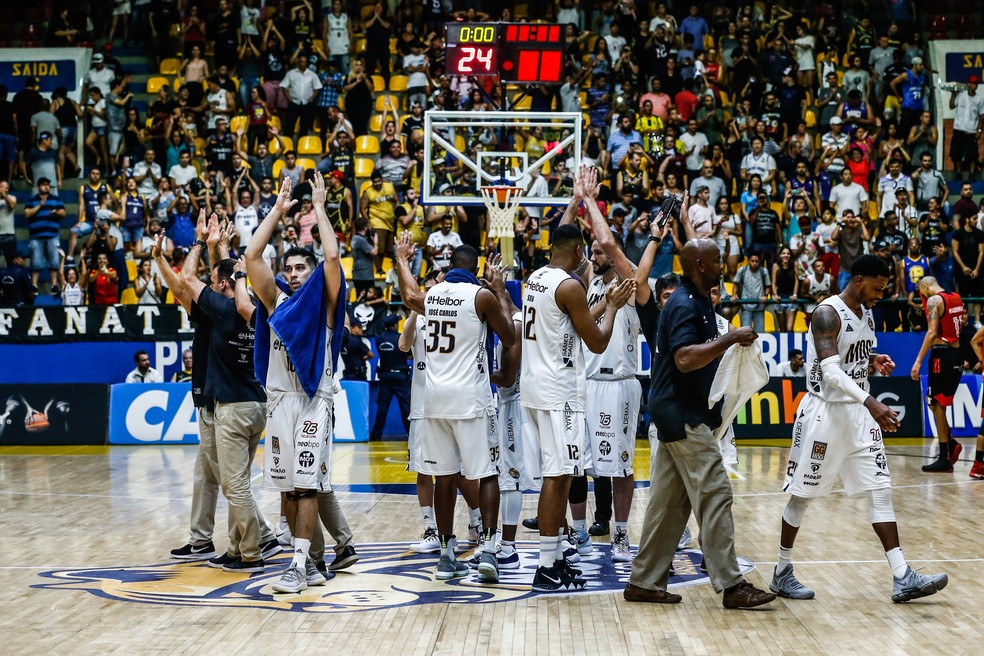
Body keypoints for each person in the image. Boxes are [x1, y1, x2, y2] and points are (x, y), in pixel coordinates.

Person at [772, 255, 949, 604]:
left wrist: (872, 359)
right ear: (857, 280)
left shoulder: (866, 310)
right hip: (824, 414)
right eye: (877, 287)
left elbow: (849, 354)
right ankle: (781, 571)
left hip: (858, 416)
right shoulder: (826, 313)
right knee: (802, 498)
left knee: (880, 489)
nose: (880, 294)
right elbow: (831, 371)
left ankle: (902, 576)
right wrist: (872, 402)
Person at [625, 237, 775, 609]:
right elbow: (685, 359)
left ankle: (644, 581)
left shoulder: (700, 299)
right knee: (716, 493)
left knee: (669, 505)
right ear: (701, 266)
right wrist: (730, 338)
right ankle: (731, 585)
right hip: (682, 413)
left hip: (674, 411)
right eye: (717, 259)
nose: (723, 264)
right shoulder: (683, 304)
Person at [156, 215, 281, 572]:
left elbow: (186, 283)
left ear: (222, 285)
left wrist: (198, 242)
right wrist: (220, 249)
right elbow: (220, 278)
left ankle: (256, 545)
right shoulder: (256, 310)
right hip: (258, 401)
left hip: (229, 405)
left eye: (215, 282)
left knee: (233, 482)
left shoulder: (222, 312)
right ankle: (239, 545)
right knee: (232, 477)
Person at [393, 232, 516, 584]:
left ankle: (447, 555)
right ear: (476, 269)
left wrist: (402, 259)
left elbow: (408, 295)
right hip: (471, 400)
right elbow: (509, 337)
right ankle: (489, 549)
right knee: (487, 473)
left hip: (433, 401)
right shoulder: (480, 296)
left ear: (447, 269)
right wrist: (498, 291)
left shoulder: (432, 295)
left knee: (443, 478)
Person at [521, 220, 635, 592]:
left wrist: (605, 301)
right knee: (558, 477)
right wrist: (615, 309)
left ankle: (553, 560)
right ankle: (545, 565)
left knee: (557, 475)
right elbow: (598, 342)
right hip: (560, 393)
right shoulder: (570, 286)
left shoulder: (536, 278)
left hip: (535, 387)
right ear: (576, 251)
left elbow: (574, 319)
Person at [245, 173, 344, 593]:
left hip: (313, 401)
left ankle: (299, 566)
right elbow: (251, 257)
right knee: (288, 490)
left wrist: (318, 208)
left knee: (305, 487)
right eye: (289, 268)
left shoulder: (325, 303)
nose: (294, 272)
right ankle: (313, 561)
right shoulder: (277, 302)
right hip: (279, 402)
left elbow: (334, 259)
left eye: (302, 267)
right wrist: (278, 209)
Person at [910, 277, 966, 473]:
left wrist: (918, 361)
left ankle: (945, 457)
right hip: (957, 354)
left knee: (937, 404)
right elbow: (962, 321)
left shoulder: (935, 300)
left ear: (926, 286)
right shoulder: (956, 297)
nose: (923, 297)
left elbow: (932, 332)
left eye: (921, 291)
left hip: (942, 355)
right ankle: (950, 444)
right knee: (934, 403)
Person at [369, 314, 412, 441]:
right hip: (400, 375)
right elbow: (408, 353)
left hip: (385, 375)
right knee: (405, 408)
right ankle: (412, 434)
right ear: (395, 325)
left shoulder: (379, 339)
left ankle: (375, 435)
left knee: (382, 408)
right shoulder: (400, 338)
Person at [948, 76, 984, 174]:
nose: (974, 85)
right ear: (968, 84)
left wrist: (979, 130)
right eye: (972, 83)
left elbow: (981, 117)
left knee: (972, 154)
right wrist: (953, 95)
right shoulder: (960, 95)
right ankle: (958, 172)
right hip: (959, 128)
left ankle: (972, 173)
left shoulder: (979, 99)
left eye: (976, 83)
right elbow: (951, 106)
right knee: (957, 153)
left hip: (971, 130)